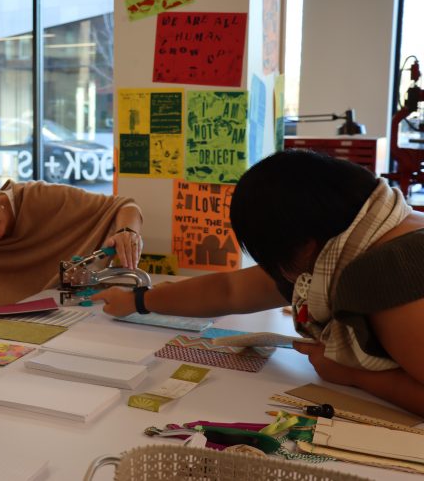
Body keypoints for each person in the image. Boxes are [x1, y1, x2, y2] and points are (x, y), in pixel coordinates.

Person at [94, 150, 424, 416]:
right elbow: (230, 291)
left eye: (274, 260)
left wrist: (355, 375)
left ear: (304, 247)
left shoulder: (386, 270)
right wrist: (139, 300)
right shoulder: (358, 234)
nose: (284, 276)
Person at [0, 170, 144, 328]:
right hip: (16, 334)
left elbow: (125, 206)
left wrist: (127, 232)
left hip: (87, 315)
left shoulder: (36, 198)